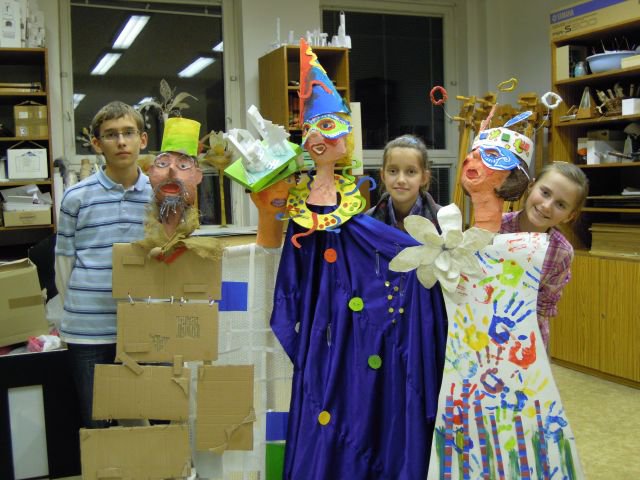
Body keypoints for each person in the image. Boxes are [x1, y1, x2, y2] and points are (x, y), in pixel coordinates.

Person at [55, 101, 151, 428]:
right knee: (98, 424)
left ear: (143, 139)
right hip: (88, 330)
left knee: (147, 420)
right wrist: (76, 310)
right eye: (111, 135)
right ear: (97, 144)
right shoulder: (76, 197)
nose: (121, 142)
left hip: (143, 326)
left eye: (128, 132)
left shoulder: (159, 196)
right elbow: (64, 262)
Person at [500, 161, 589, 350]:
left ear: (570, 216)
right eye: (545, 193)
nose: (547, 206)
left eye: (560, 204)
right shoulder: (495, 227)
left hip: (525, 339)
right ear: (531, 186)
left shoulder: (561, 252)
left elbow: (543, 306)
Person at [366, 134, 441, 232]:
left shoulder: (444, 222)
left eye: (411, 172)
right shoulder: (368, 222)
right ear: (383, 175)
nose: (401, 180)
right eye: (393, 171)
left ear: (424, 178)